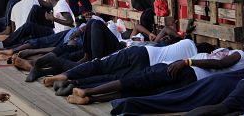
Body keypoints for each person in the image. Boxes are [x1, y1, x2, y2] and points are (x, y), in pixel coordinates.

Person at [61, 48, 244, 103]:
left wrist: (186, 62)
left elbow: (221, 63)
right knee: (142, 90)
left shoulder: (241, 56)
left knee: (137, 81)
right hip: (192, 79)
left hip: (186, 71)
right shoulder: (240, 74)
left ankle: (88, 91)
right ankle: (91, 98)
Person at [109, 61, 244, 115]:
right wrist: (187, 61)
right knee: (174, 101)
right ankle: (126, 105)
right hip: (219, 85)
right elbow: (221, 63)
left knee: (172, 98)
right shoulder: (241, 57)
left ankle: (125, 105)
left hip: (215, 83)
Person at [39, 39, 214, 87]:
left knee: (100, 64)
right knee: (110, 78)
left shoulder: (187, 43)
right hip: (147, 68)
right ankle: (73, 83)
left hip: (142, 52)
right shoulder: (196, 60)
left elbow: (166, 38)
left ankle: (63, 75)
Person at [0, 0, 74, 52]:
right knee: (34, 10)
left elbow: (71, 22)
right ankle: (7, 43)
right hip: (55, 31)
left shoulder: (61, 4)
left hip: (59, 35)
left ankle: (3, 45)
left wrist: (53, 18)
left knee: (28, 26)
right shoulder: (56, 5)